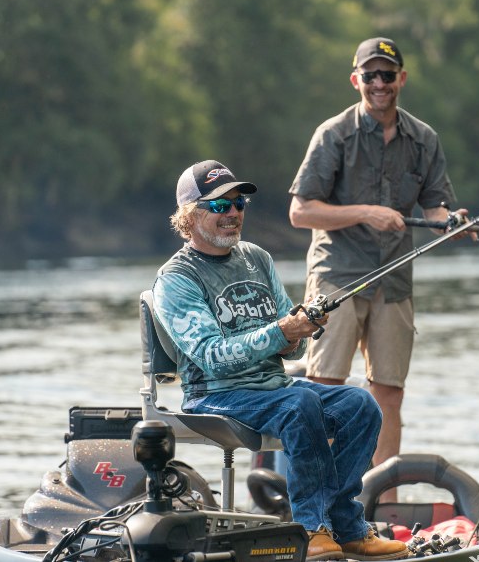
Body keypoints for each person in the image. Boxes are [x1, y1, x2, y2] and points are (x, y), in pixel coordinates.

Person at [152, 159, 410, 561]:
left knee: (361, 404)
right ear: (190, 216)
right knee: (301, 403)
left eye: (239, 204)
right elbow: (211, 357)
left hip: (274, 388)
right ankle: (310, 528)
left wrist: (300, 330)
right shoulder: (176, 279)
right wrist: (281, 333)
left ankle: (345, 523)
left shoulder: (256, 257)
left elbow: (293, 346)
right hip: (215, 394)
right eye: (221, 206)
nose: (234, 213)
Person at [289, 37, 472, 477]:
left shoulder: (424, 139)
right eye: (369, 75)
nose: (379, 84)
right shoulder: (333, 135)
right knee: (326, 386)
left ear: (401, 79)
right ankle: (321, 492)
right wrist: (365, 213)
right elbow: (300, 211)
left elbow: (435, 209)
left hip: (394, 281)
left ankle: (380, 499)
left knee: (388, 391)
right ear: (356, 81)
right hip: (338, 274)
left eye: (387, 75)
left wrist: (453, 221)